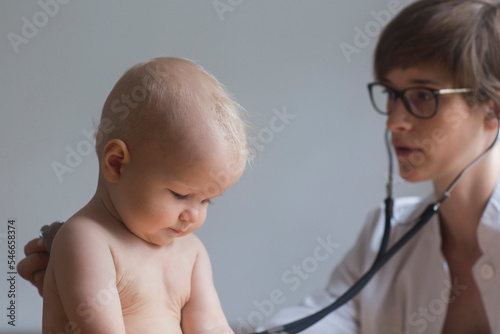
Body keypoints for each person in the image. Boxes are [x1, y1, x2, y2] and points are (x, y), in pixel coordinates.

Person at [18, 0, 500, 333]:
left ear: (492, 108)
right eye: (390, 94)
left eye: (421, 97)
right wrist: (109, 293)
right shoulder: (384, 237)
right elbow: (315, 323)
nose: (394, 120)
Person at [37, 57, 248, 333]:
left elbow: (213, 326)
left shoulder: (191, 253)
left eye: (206, 200)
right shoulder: (87, 240)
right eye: (179, 194)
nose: (193, 215)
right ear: (116, 163)